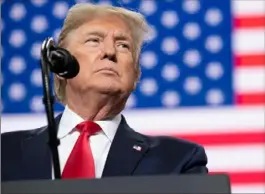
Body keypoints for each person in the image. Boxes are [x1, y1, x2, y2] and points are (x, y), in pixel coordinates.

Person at [1, 3, 208, 181]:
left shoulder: (178, 161)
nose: (109, 52)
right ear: (59, 63)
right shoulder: (5, 152)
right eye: (94, 40)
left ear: (135, 74)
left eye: (123, 45)